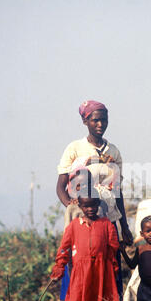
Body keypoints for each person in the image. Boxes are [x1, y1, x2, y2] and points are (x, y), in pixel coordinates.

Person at [56, 100, 133, 245]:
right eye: (95, 120)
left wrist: (124, 226)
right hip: (82, 218)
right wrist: (72, 206)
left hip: (108, 217)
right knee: (82, 257)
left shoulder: (113, 151)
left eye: (104, 120)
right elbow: (60, 187)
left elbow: (117, 192)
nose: (100, 124)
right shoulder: (75, 148)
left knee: (108, 260)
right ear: (85, 121)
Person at [50, 188, 120, 301]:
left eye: (93, 206)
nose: (90, 209)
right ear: (80, 206)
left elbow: (113, 245)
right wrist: (59, 266)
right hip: (81, 269)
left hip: (101, 268)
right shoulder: (74, 225)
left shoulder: (106, 223)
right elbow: (64, 246)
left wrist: (112, 266)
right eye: (86, 206)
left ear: (98, 205)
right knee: (76, 300)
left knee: (103, 300)